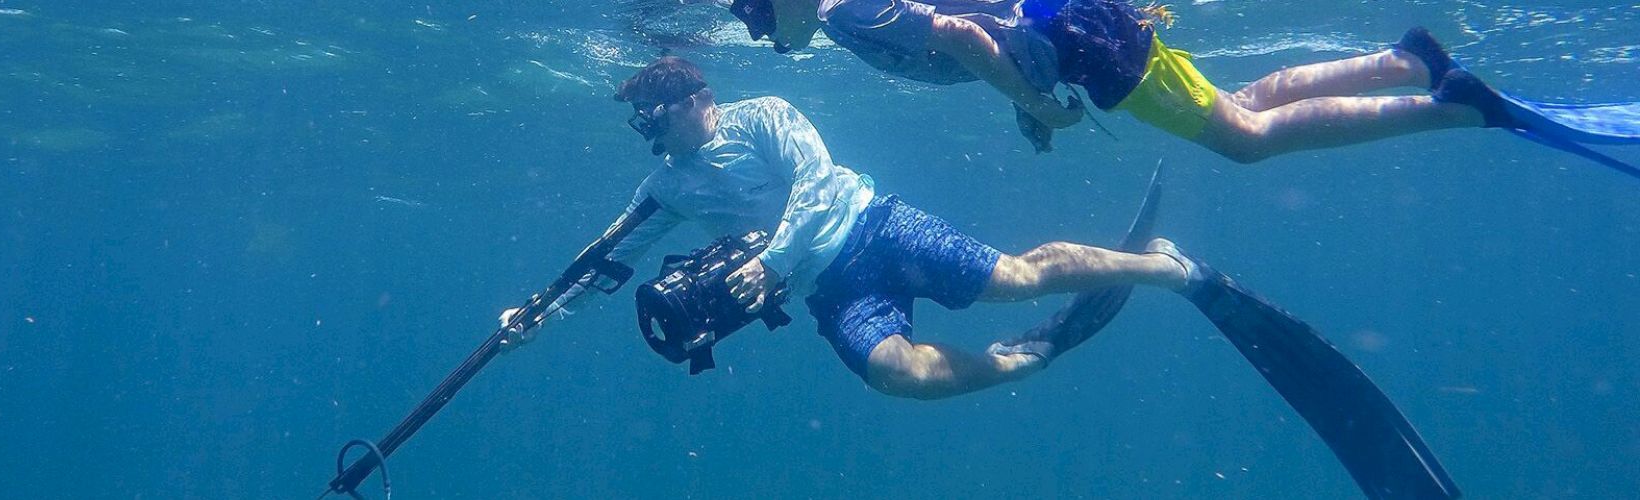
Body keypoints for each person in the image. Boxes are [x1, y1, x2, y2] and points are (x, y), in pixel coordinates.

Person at [497, 56, 1202, 400]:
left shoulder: (763, 115)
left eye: (651, 113)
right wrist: (537, 314)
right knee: (898, 375)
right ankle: (1026, 359)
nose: (645, 129)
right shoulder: (664, 187)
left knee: (1016, 279)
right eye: (638, 119)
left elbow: (816, 178)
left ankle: (1162, 267)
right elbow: (605, 261)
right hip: (830, 290)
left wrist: (772, 260)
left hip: (877, 228)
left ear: (696, 101)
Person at [724, 0, 1619, 164]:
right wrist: (1023, 89)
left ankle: (1451, 110)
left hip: (1082, 48)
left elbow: (960, 34)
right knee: (1243, 103)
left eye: (760, 17)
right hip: (1078, 24)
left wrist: (1035, 101)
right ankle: (1408, 61)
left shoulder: (847, 14)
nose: (763, 35)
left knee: (1245, 142)